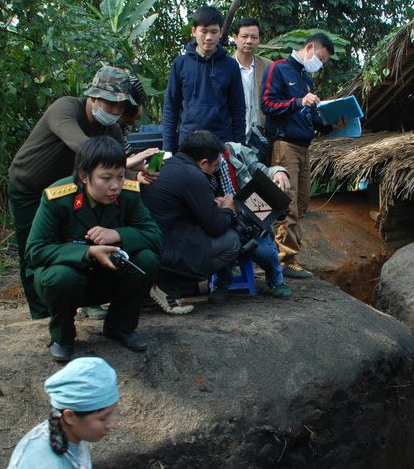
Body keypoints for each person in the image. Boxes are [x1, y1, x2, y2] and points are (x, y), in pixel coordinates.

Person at [8, 66, 157, 320]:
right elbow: (84, 148)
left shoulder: (111, 129)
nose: (115, 112)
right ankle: (42, 312)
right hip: (30, 187)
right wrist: (125, 163)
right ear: (93, 97)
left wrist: (137, 175)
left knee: (86, 242)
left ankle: (87, 299)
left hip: (73, 192)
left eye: (121, 107)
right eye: (110, 104)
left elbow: (115, 168)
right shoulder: (65, 109)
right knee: (32, 250)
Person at [25, 137, 161, 359]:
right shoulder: (58, 198)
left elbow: (154, 235)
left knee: (146, 260)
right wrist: (88, 253)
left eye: (119, 176)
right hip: (68, 279)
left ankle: (120, 327)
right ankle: (63, 336)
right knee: (61, 277)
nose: (115, 186)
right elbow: (35, 250)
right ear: (84, 176)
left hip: (106, 278)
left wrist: (117, 235)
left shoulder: (127, 194)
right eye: (106, 178)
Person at [261, 32, 345, 279]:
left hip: (304, 147)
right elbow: (267, 105)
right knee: (287, 202)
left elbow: (311, 118)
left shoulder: (306, 78)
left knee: (303, 203)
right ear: (309, 47)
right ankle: (284, 259)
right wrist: (298, 102)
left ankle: (289, 255)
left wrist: (331, 125)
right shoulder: (279, 69)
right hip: (284, 145)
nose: (320, 64)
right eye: (320, 58)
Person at [141, 130, 240, 310]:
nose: (215, 172)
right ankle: (167, 288)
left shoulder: (166, 165)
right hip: (167, 250)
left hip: (149, 243)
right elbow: (216, 228)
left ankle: (154, 286)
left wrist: (211, 205)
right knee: (231, 241)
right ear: (203, 163)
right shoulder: (195, 176)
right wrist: (228, 209)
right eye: (215, 167)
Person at [213, 141, 293, 300]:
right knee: (225, 246)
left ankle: (276, 281)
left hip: (252, 217)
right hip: (224, 220)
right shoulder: (201, 166)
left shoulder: (237, 153)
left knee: (266, 252)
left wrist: (279, 173)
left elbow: (263, 171)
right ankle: (222, 285)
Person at [161, 6, 246, 154]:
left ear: (220, 32)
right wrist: (167, 149)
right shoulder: (180, 64)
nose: (208, 37)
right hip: (188, 144)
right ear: (194, 31)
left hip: (222, 143)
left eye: (214, 32)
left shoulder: (230, 66)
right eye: (204, 31)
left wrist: (239, 148)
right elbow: (171, 109)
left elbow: (238, 110)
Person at [232, 17, 273, 161]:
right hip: (234, 137)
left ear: (259, 39)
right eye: (244, 36)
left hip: (262, 138)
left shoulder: (268, 66)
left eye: (254, 37)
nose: (249, 41)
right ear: (235, 38)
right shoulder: (226, 66)